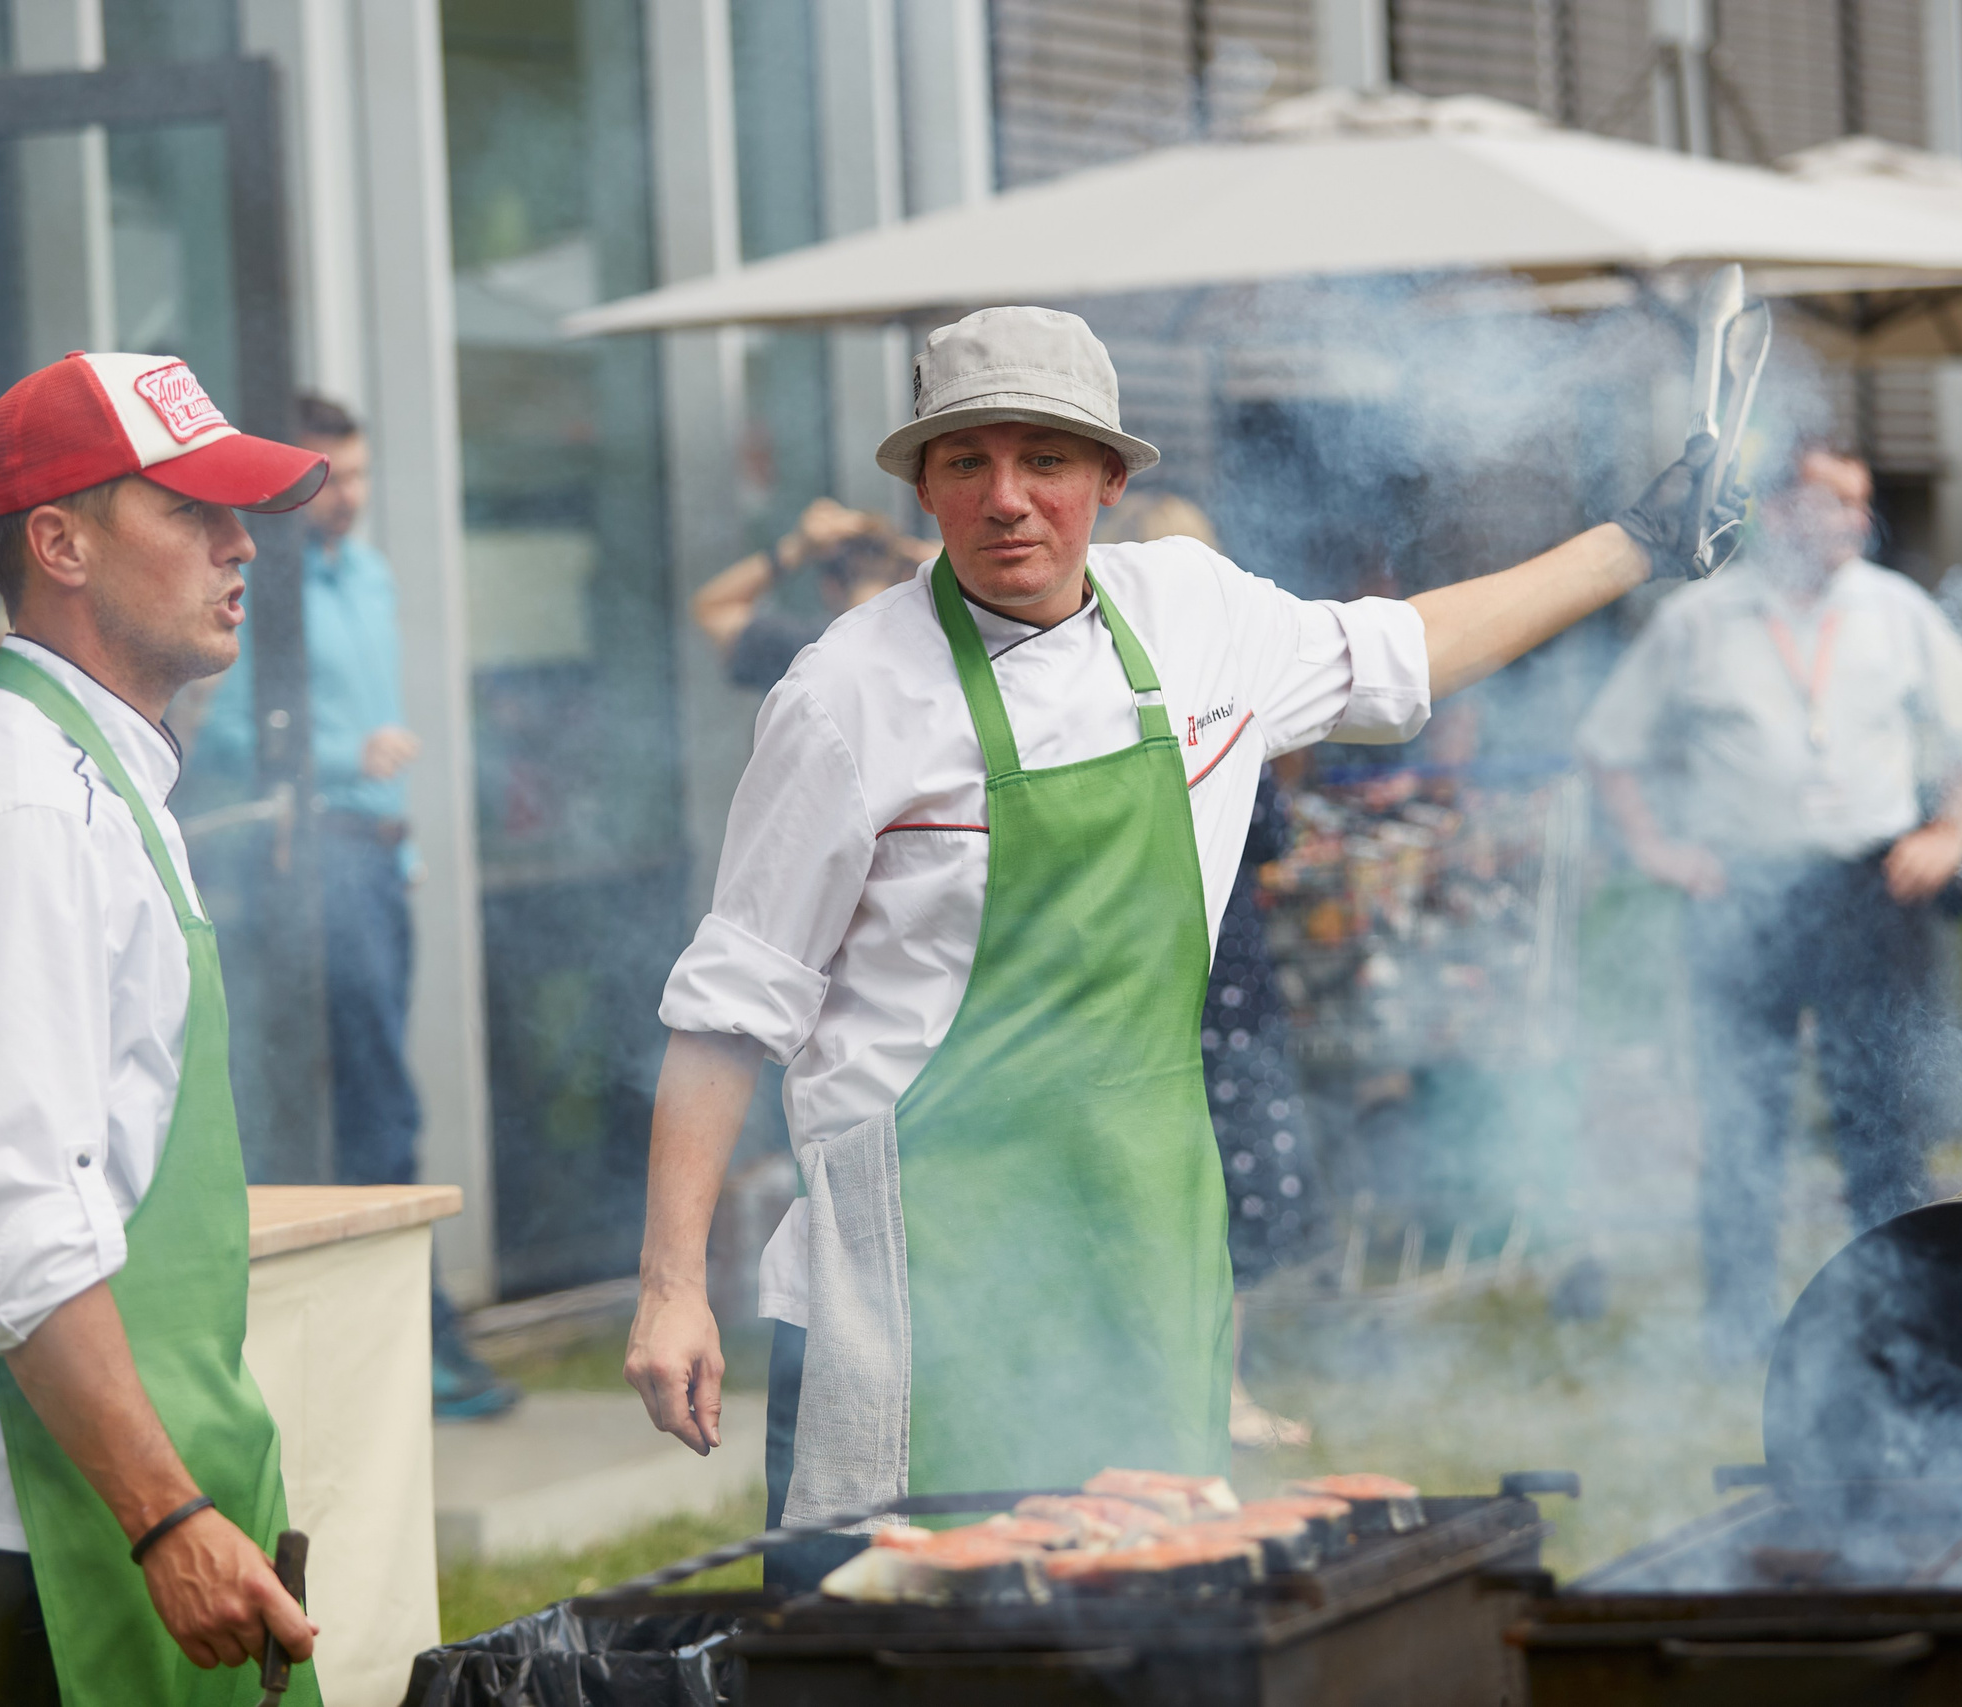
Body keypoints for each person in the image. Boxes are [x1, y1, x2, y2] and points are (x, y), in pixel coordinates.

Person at [620, 304, 1742, 1588]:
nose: (1007, 500)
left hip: (1141, 1243)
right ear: (922, 486)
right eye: (966, 462)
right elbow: (732, 1007)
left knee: (1154, 1609)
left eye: (1045, 459)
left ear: (1108, 477)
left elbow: (1406, 652)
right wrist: (670, 1286)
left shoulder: (1195, 614)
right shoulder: (841, 695)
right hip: (919, 1281)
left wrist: (1639, 544)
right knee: (894, 1627)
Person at [0, 352, 328, 1704]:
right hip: (37, 1533)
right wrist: (164, 1516)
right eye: (189, 510)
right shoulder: (27, 814)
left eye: (240, 512)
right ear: (60, 543)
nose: (240, 547)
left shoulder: (100, 778)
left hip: (108, 1501)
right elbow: (16, 1223)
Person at [1578, 445, 1962, 1365]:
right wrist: (1659, 849)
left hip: (1870, 884)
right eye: (1835, 503)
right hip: (1740, 892)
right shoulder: (1699, 619)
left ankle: (1894, 1327)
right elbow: (1609, 745)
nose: (1857, 520)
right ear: (1779, 511)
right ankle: (1737, 1331)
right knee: (1741, 1115)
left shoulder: (1894, 609)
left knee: (1882, 1114)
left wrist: (1951, 834)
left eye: (1862, 503)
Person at [194, 394, 515, 1421]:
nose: (354, 498)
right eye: (335, 478)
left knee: (384, 1097)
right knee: (361, 1105)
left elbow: (387, 719)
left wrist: (406, 843)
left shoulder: (368, 577)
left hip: (375, 866)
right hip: (302, 866)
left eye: (363, 475)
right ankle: (401, 1342)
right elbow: (226, 729)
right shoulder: (259, 589)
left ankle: (405, 1334)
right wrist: (346, 759)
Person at [1092, 489, 1313, 1451]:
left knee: (1234, 1188)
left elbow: (1263, 838)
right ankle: (1169, 1393)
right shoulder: (1100, 696)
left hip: (1231, 983)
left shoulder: (1229, 686)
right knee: (1154, 1190)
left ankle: (1221, 1390)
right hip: (1151, 990)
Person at [689, 497, 928, 692]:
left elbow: (712, 607)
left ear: (829, 588)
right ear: (906, 575)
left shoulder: (806, 650)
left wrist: (796, 547)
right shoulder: (934, 641)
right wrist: (903, 546)